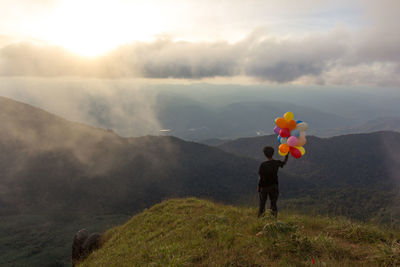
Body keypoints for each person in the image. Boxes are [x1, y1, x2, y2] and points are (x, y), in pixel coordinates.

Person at [257, 146, 288, 218]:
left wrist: (258, 186)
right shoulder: (276, 163)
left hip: (264, 187)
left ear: (265, 154)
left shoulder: (263, 165)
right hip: (274, 186)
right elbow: (284, 163)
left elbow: (260, 177)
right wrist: (287, 155)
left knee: (262, 204)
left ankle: (260, 218)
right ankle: (273, 219)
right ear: (273, 153)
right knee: (273, 204)